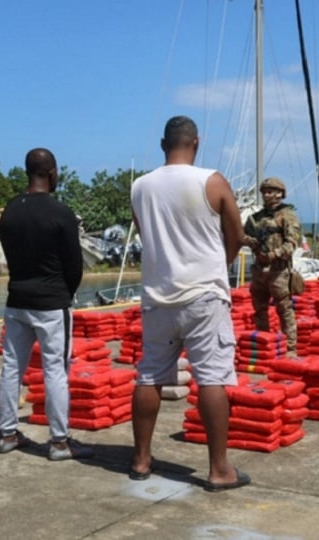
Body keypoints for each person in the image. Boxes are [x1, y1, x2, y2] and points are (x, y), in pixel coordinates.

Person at [129, 115, 249, 491]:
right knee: (212, 377)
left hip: (157, 296)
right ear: (196, 142)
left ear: (163, 145)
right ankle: (218, 469)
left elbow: (148, 234)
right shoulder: (211, 181)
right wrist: (219, 264)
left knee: (150, 375)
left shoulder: (140, 187)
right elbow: (237, 235)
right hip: (204, 296)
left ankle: (142, 459)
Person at [0, 147, 92, 460]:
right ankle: (59, 441)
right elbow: (74, 266)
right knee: (55, 370)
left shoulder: (9, 211)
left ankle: (8, 434)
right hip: (52, 303)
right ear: (51, 173)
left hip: (17, 299)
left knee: (12, 367)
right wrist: (65, 294)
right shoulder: (60, 212)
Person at [242, 177, 302, 349]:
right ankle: (264, 344)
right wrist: (251, 242)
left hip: (278, 271)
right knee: (259, 309)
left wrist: (274, 254)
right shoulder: (255, 218)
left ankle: (290, 346)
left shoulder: (287, 216)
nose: (267, 195)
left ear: (280, 194)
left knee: (284, 310)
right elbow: (244, 236)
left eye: (271, 191)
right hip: (260, 270)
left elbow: (292, 243)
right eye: (265, 192)